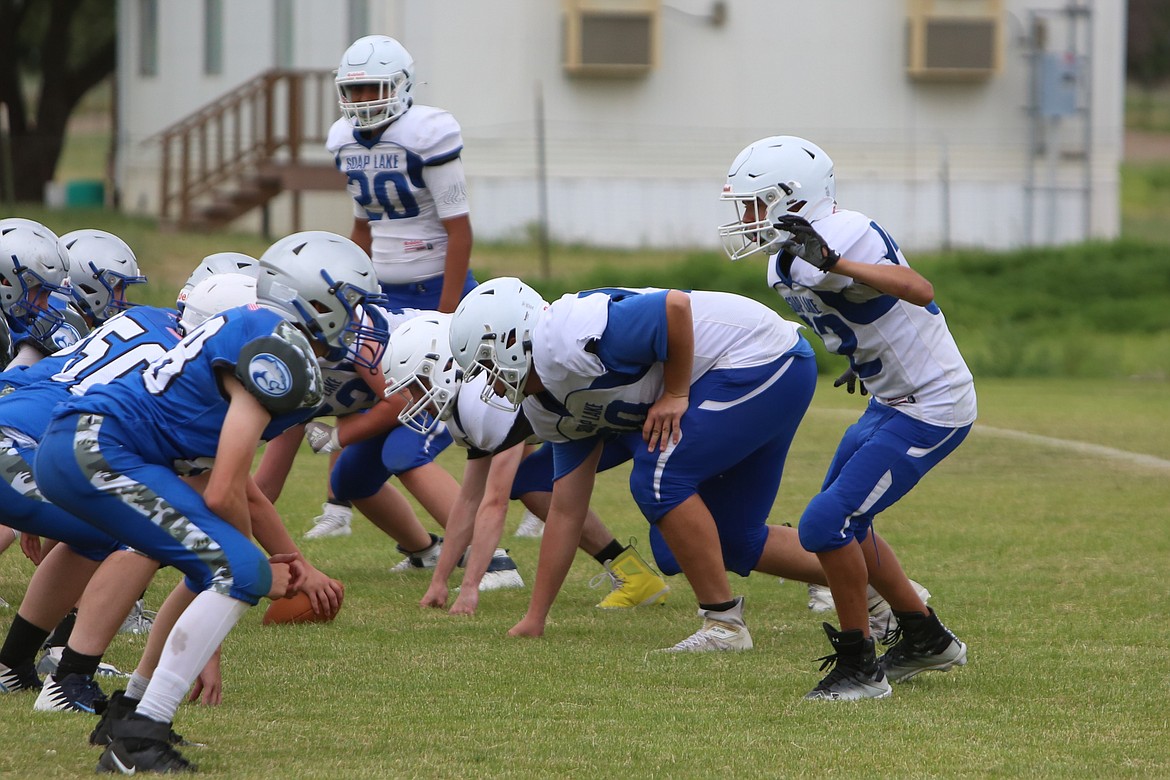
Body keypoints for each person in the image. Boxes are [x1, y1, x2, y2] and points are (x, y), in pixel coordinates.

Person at [35, 231, 379, 773]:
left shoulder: (259, 331)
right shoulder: (277, 348)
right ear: (315, 301)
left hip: (92, 446)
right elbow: (224, 490)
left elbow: (229, 486)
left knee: (218, 569)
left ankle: (130, 715)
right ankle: (138, 742)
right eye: (353, 304)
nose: (359, 320)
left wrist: (274, 560)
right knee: (239, 569)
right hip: (96, 447)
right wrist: (256, 564)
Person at [718, 135, 973, 700]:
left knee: (824, 525)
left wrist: (836, 263)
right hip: (890, 398)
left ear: (793, 198)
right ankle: (925, 636)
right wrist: (862, 354)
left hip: (933, 405)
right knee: (846, 526)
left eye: (756, 204)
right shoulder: (786, 262)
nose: (747, 218)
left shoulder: (844, 234)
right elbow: (859, 310)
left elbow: (918, 289)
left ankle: (860, 666)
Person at [448, 278, 830, 651]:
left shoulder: (567, 339)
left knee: (659, 478)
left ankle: (723, 625)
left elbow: (673, 306)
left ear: (512, 340)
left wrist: (676, 392)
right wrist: (535, 617)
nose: (492, 384)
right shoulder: (546, 406)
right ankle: (863, 581)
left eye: (487, 365)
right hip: (749, 373)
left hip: (761, 355)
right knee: (726, 541)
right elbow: (566, 510)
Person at [305, 33, 476, 541]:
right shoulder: (343, 140)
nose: (362, 102)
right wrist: (350, 290)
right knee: (354, 467)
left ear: (401, 86)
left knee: (417, 426)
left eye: (373, 89)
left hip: (435, 292)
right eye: (353, 92)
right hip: (384, 295)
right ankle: (421, 547)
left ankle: (496, 556)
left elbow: (459, 230)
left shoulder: (428, 132)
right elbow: (362, 227)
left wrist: (446, 319)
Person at [377, 313, 667, 611]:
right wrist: (438, 582)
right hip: (593, 423)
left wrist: (469, 587)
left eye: (416, 385)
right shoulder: (466, 405)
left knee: (673, 519)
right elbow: (468, 501)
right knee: (532, 484)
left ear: (445, 368)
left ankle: (714, 606)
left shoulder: (486, 400)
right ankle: (636, 578)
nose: (413, 399)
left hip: (630, 415)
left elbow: (494, 502)